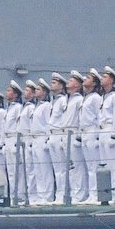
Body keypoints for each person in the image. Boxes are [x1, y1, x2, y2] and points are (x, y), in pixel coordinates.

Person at [96, 70, 115, 203]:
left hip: (110, 131)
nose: (102, 79)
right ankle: (106, 195)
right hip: (102, 131)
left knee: (114, 166)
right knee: (105, 166)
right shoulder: (104, 97)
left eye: (105, 76)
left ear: (112, 81)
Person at [74, 70, 104, 203]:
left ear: (94, 83)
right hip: (84, 132)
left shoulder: (96, 98)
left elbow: (99, 117)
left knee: (94, 166)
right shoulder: (85, 98)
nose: (85, 79)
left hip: (92, 131)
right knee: (88, 166)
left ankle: (96, 194)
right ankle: (91, 194)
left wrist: (97, 136)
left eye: (88, 78)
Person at [47, 74, 75, 204]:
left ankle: (64, 194)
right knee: (57, 169)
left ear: (61, 86)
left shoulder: (64, 100)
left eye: (54, 83)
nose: (51, 85)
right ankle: (58, 195)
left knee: (63, 169)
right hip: (52, 135)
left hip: (60, 134)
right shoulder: (54, 101)